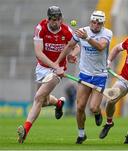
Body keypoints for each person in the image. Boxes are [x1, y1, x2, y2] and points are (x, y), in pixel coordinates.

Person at [17, 6, 77, 144]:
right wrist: (54, 65)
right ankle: (59, 103)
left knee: (38, 97)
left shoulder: (67, 30)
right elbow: (39, 53)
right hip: (43, 67)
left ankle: (25, 130)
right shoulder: (40, 28)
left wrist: (72, 55)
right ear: (48, 19)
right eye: (54, 20)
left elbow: (76, 46)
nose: (56, 22)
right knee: (43, 101)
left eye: (59, 19)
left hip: (57, 72)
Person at [56, 10, 113, 144]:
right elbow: (70, 45)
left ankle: (98, 113)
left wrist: (86, 37)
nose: (96, 25)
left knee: (93, 108)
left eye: (99, 23)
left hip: (100, 74)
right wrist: (62, 60)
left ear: (102, 24)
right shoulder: (82, 31)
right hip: (85, 74)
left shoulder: (107, 33)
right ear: (90, 21)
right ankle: (81, 134)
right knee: (80, 107)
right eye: (93, 22)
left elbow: (100, 47)